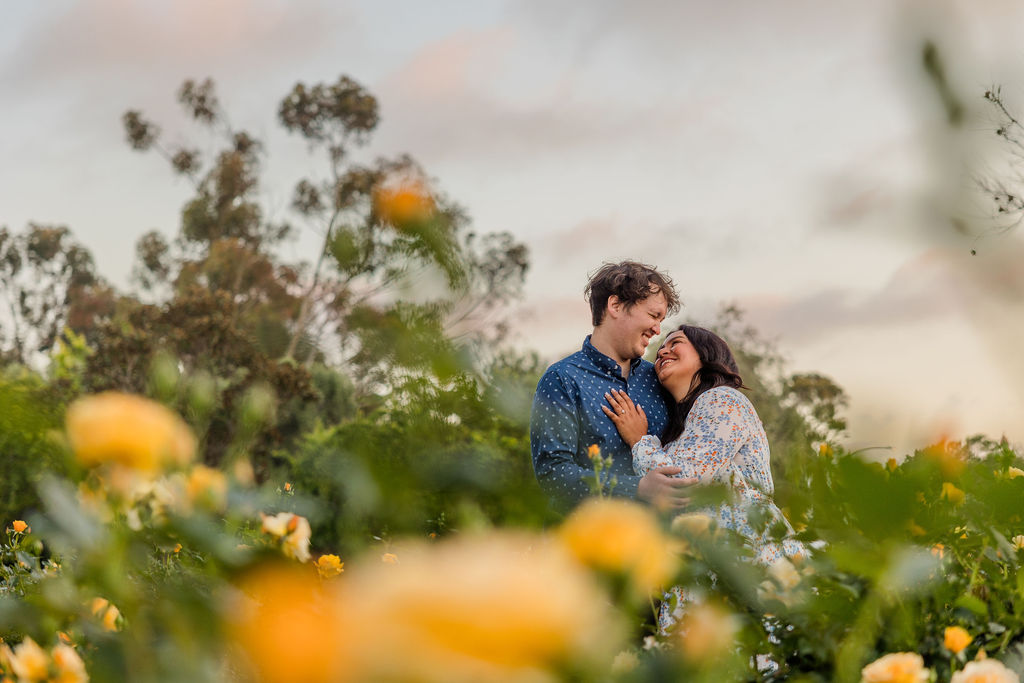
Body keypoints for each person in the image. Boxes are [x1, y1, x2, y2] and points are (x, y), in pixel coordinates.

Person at [603, 324, 805, 631]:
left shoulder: (724, 401)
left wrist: (639, 440)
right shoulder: (681, 432)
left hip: (748, 564)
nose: (663, 350)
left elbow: (684, 481)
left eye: (676, 342)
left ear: (706, 355)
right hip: (701, 576)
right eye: (661, 347)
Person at [530, 261, 695, 512]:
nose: (657, 329)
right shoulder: (562, 379)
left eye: (661, 319)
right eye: (653, 315)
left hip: (660, 545)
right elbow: (553, 474)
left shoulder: (660, 380)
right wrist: (636, 488)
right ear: (615, 305)